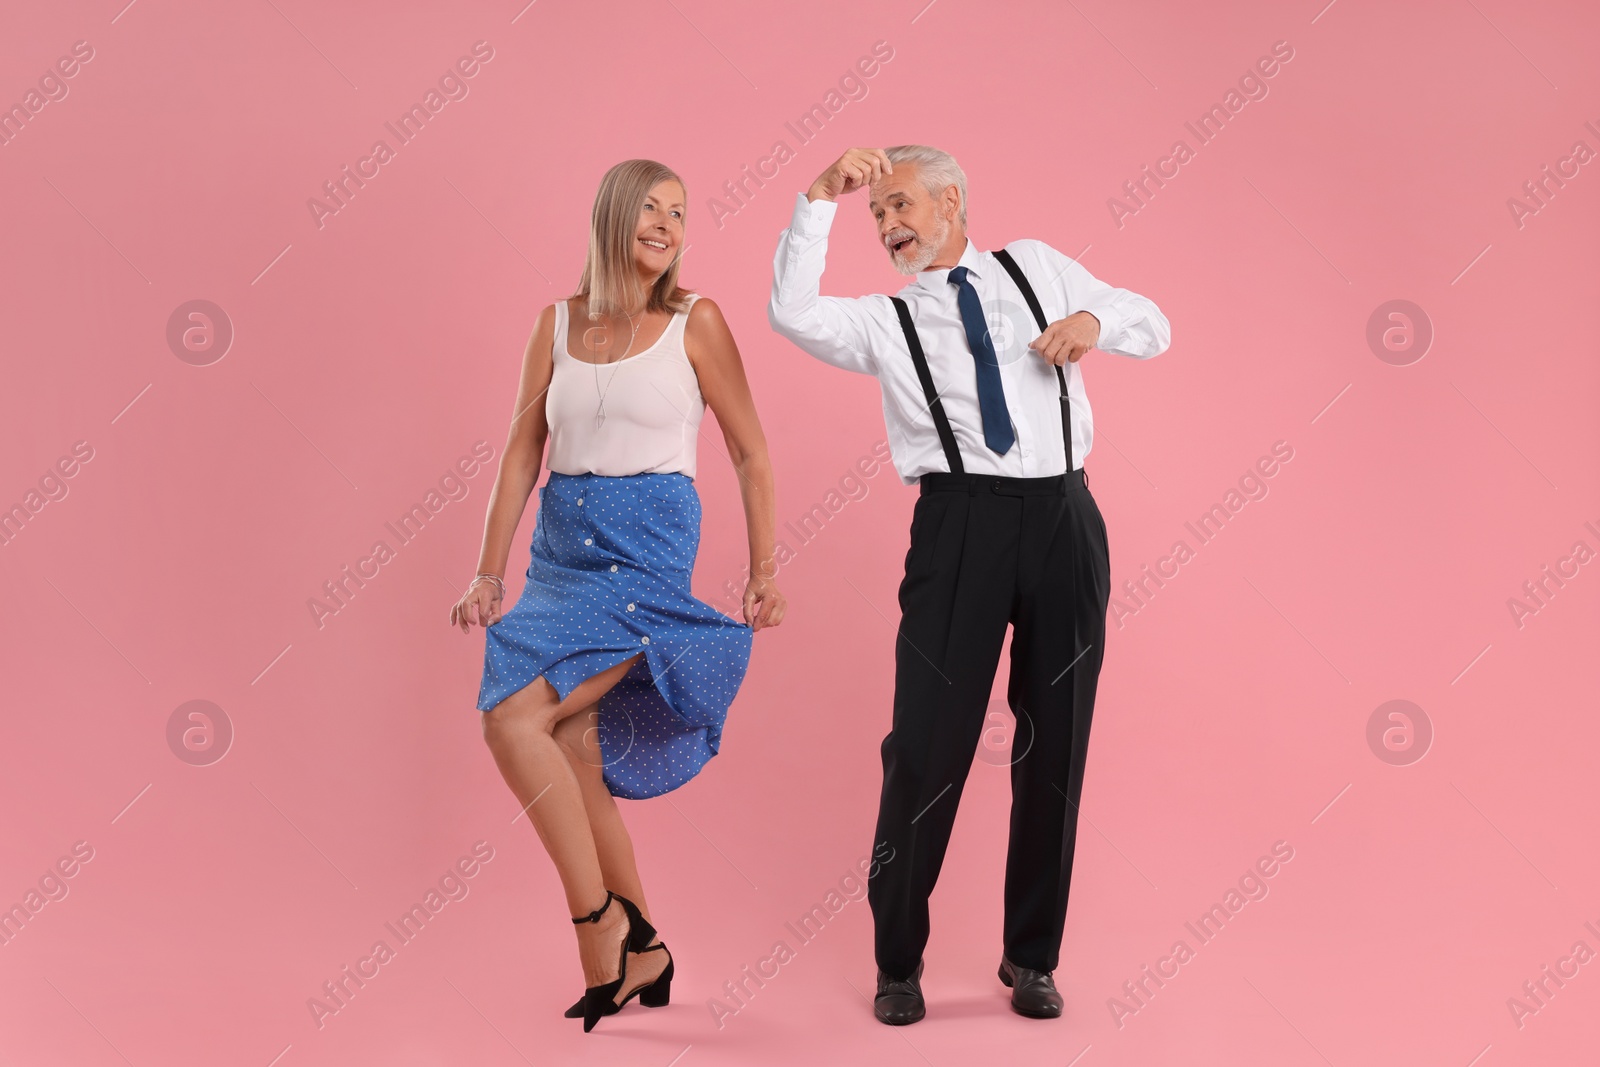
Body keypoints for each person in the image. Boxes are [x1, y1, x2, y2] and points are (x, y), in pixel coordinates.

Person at [767, 145, 1170, 1024]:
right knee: (925, 746)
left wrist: (1096, 327)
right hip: (957, 528)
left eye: (899, 204)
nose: (888, 224)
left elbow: (1149, 316)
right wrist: (818, 199)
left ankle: (1031, 958)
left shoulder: (1035, 266)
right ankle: (897, 961)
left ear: (952, 200)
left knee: (1055, 744)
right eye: (877, 215)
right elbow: (791, 310)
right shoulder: (884, 319)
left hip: (1065, 519)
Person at [452, 158, 786, 1032]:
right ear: (611, 216)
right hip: (558, 561)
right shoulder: (555, 324)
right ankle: (645, 946)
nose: (667, 225)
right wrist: (489, 572)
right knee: (568, 744)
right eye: (651, 208)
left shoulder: (696, 321)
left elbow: (752, 452)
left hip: (643, 563)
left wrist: (764, 568)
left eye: (680, 212)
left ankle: (596, 926)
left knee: (512, 720)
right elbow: (521, 455)